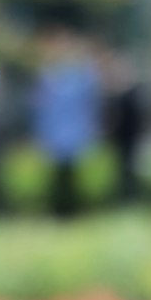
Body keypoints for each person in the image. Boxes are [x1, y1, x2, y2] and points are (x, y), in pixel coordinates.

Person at [31, 33, 104, 217]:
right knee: (58, 175)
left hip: (70, 132)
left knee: (71, 174)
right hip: (57, 132)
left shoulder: (75, 78)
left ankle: (69, 210)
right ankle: (60, 210)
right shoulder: (50, 78)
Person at [104, 50, 148, 202]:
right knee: (120, 169)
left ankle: (133, 197)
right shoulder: (114, 94)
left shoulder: (134, 92)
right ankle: (123, 197)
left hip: (134, 137)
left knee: (134, 169)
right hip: (119, 137)